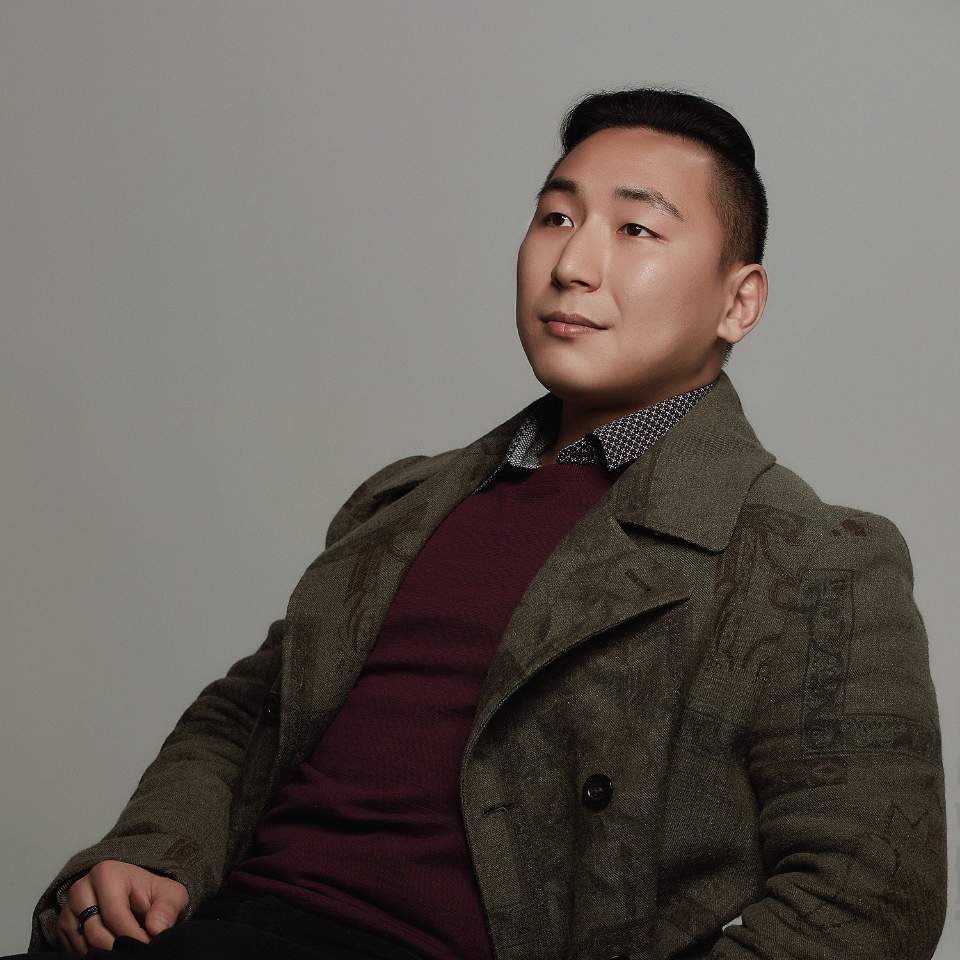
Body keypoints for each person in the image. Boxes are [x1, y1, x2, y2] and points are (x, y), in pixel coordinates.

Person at [15, 87, 946, 960]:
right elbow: (247, 713)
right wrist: (153, 850)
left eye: (636, 229)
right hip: (219, 927)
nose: (573, 265)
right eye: (556, 218)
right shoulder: (405, 502)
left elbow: (867, 894)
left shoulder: (808, 559)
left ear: (739, 301)